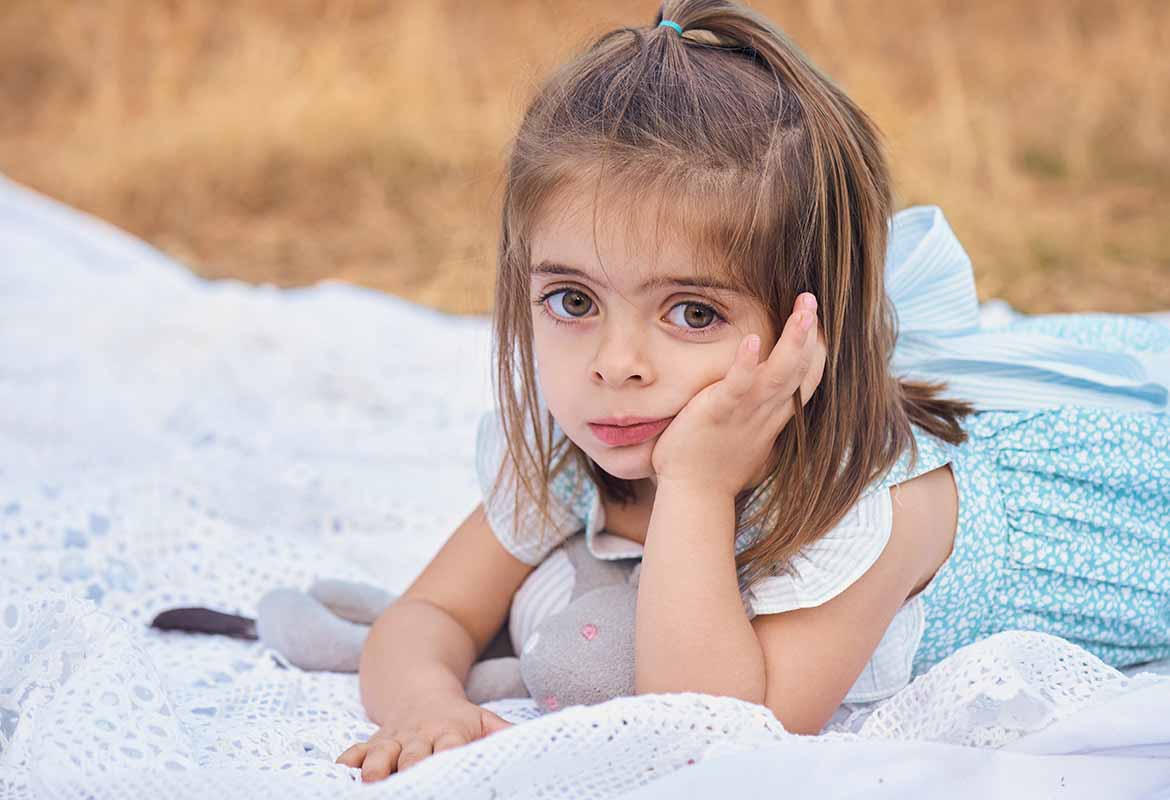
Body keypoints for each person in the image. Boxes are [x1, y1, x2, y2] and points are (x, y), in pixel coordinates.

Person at [336, 0, 1170, 782]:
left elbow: (709, 730)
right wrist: (428, 706)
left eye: (691, 311)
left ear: (807, 328)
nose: (615, 362)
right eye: (573, 301)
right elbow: (428, 615)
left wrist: (699, 486)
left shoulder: (871, 501)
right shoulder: (586, 435)